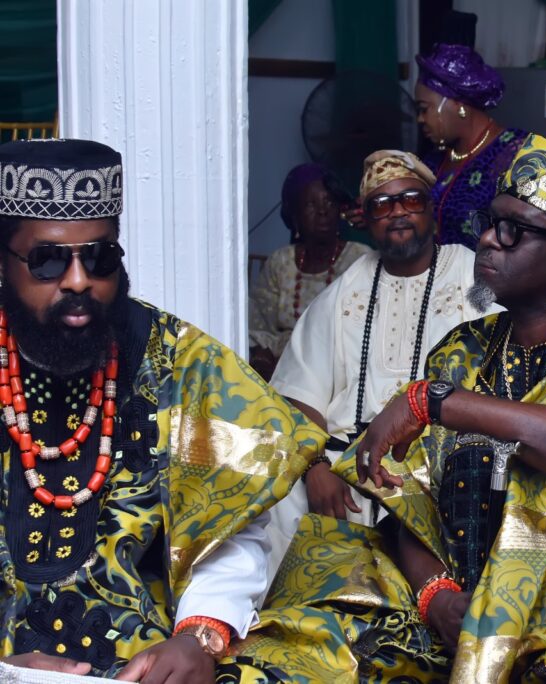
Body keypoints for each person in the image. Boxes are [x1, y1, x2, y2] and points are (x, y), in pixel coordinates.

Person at [238, 134, 546, 681]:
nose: (488, 242)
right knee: (273, 659)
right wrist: (434, 594)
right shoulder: (463, 348)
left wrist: (434, 401)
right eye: (490, 222)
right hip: (450, 600)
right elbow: (413, 499)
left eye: (513, 231)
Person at [0, 139, 323, 681]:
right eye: (49, 260)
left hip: (149, 652)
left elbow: (231, 527)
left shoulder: (182, 361)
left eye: (99, 257)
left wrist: (199, 635)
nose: (78, 280)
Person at [267, 149, 496, 566]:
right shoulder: (342, 291)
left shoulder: (472, 277)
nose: (398, 213)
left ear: (431, 211)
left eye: (411, 199)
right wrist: (315, 467)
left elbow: (506, 368)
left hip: (438, 461)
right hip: (345, 464)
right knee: (277, 497)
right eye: (382, 205)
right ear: (367, 221)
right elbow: (297, 392)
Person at [248, 163, 372, 381]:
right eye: (310, 204)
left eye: (329, 202)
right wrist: (264, 360)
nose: (322, 210)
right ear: (295, 217)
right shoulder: (281, 262)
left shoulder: (360, 258)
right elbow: (259, 329)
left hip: (341, 372)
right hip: (281, 370)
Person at [414, 43, 527, 249]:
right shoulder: (433, 161)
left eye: (424, 109)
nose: (420, 119)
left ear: (459, 104)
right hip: (436, 279)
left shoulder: (516, 154)